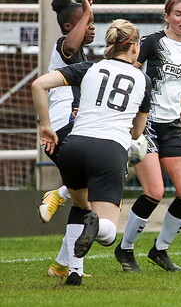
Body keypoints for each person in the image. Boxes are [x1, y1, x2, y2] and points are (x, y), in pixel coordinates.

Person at [32, 19, 151, 286]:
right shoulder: (143, 79)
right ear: (133, 47)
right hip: (109, 150)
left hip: (74, 147)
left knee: (79, 204)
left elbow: (39, 84)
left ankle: (73, 271)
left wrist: (46, 126)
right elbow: (135, 132)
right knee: (107, 232)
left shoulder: (90, 68)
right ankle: (95, 226)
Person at [115, 0, 181, 273]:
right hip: (146, 123)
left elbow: (180, 93)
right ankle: (126, 249)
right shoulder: (153, 43)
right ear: (166, 16)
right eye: (178, 14)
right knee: (154, 191)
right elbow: (126, 73)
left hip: (171, 127)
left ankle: (160, 250)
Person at [38, 0, 96, 226]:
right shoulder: (63, 45)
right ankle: (59, 194)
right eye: (86, 21)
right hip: (62, 130)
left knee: (84, 206)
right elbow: (71, 44)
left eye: (92, 21)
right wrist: (87, 13)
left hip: (67, 129)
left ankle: (64, 264)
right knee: (111, 169)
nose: (91, 27)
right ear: (69, 27)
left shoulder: (82, 55)